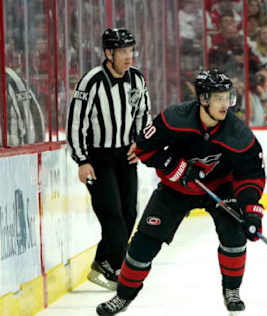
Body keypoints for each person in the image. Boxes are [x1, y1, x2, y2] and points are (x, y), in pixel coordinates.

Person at [96, 69, 266, 315]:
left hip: (219, 188)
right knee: (144, 243)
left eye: (227, 96)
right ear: (203, 99)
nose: (224, 103)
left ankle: (232, 290)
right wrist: (175, 167)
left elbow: (250, 174)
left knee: (234, 236)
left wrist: (251, 210)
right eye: (218, 98)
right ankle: (123, 296)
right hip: (176, 188)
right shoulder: (175, 118)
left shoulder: (238, 133)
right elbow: (143, 148)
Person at [66, 28, 151, 291]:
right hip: (98, 157)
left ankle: (103, 263)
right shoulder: (91, 81)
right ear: (108, 53)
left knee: (129, 214)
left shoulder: (137, 79)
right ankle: (117, 268)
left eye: (130, 51)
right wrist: (82, 160)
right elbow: (75, 122)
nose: (128, 57)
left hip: (126, 155)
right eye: (122, 52)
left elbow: (144, 115)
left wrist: (140, 144)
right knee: (111, 214)